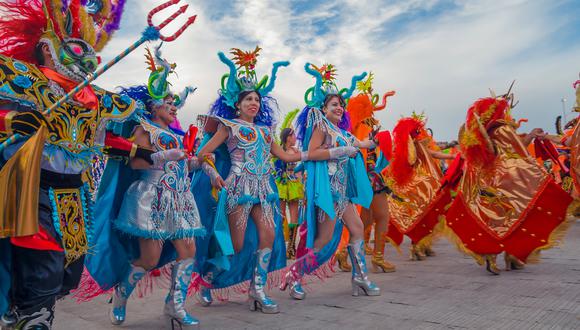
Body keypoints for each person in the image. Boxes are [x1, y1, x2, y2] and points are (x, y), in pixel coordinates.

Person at [0, 1, 139, 327]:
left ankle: (20, 311)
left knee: (67, 274)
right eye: (78, 47)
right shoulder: (24, 80)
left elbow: (93, 138)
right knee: (42, 268)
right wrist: (12, 119)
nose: (88, 56)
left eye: (91, 49)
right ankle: (31, 317)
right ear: (48, 48)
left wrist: (134, 150)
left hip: (74, 196)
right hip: (31, 187)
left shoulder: (95, 99)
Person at [77, 44, 204, 328]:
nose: (173, 107)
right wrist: (165, 155)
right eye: (168, 102)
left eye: (175, 103)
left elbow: (181, 166)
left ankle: (175, 306)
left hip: (181, 200)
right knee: (149, 258)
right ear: (153, 106)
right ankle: (121, 295)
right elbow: (136, 164)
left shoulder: (178, 134)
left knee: (188, 251)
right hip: (152, 198)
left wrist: (198, 162)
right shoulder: (144, 129)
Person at [193, 46, 298, 314]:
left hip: (264, 190)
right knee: (236, 245)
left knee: (269, 234)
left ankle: (257, 290)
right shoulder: (228, 126)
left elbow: (283, 156)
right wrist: (215, 175)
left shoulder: (265, 132)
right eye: (248, 99)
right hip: (237, 188)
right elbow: (203, 153)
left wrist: (305, 154)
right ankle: (207, 280)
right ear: (237, 104)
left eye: (257, 100)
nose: (254, 103)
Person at [280, 63, 379, 300]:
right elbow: (312, 152)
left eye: (341, 105)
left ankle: (360, 279)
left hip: (342, 195)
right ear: (323, 108)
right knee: (323, 241)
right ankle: (294, 276)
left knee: (357, 230)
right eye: (334, 104)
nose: (340, 108)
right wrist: (340, 151)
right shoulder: (321, 126)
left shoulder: (344, 133)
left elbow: (362, 144)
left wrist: (372, 142)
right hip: (327, 194)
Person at [444, 95, 573, 274]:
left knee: (491, 220)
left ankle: (492, 256)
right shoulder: (503, 129)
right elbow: (518, 148)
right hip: (506, 183)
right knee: (517, 216)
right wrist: (531, 135)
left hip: (485, 184)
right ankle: (512, 255)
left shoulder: (481, 133)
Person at [384, 114, 456, 260]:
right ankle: (416, 247)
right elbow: (408, 162)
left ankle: (424, 245)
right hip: (416, 188)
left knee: (429, 214)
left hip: (426, 185)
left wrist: (453, 157)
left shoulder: (418, 145)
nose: (419, 133)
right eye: (417, 131)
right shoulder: (405, 149)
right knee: (418, 216)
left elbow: (434, 153)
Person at [345, 72, 396, 273]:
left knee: (364, 220)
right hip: (370, 178)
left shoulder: (353, 128)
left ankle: (343, 254)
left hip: (360, 178)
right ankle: (378, 257)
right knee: (383, 216)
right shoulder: (366, 129)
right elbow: (371, 154)